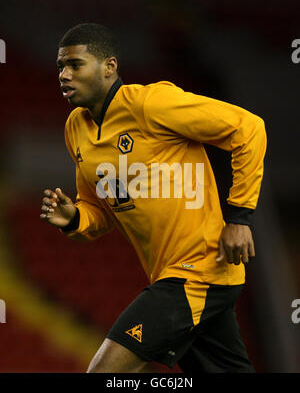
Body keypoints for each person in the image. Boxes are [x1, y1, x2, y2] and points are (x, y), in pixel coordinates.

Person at [40, 23, 266, 373]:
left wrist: (239, 218)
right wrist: (74, 218)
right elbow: (100, 209)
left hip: (199, 269)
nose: (64, 75)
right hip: (169, 274)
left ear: (109, 67)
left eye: (75, 65)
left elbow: (248, 128)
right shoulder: (76, 128)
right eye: (60, 67)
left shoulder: (151, 103)